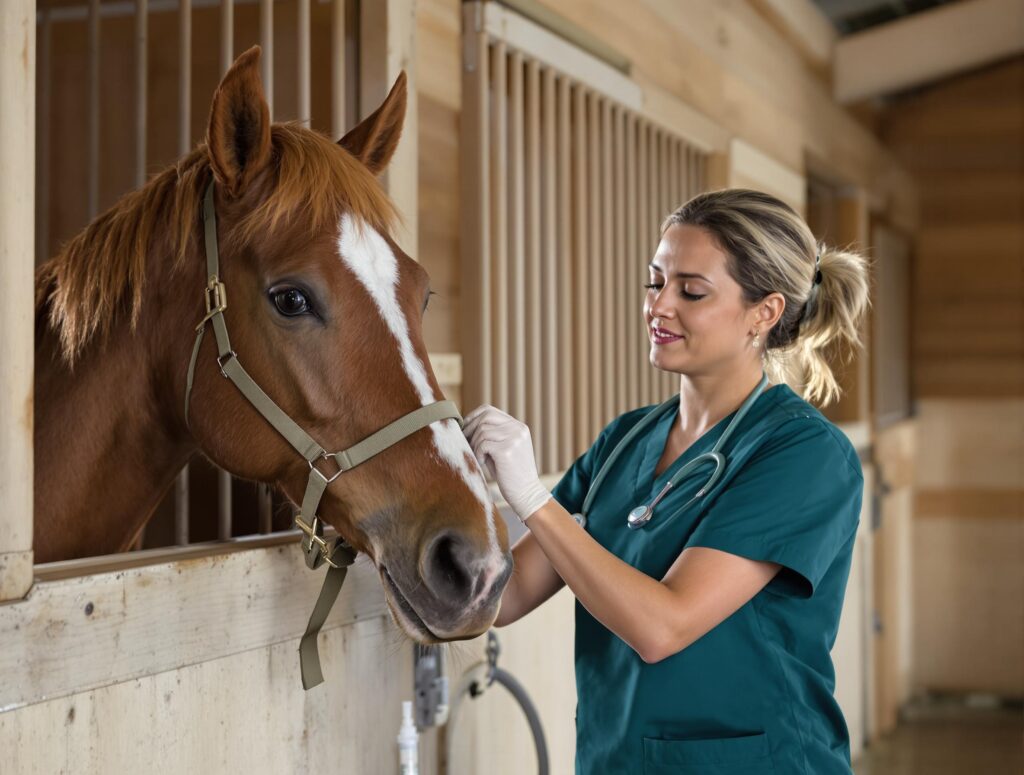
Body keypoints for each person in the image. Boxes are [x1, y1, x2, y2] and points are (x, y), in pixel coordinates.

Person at [463, 188, 871, 774]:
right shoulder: (624, 441)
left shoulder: (804, 454)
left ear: (766, 312)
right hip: (617, 759)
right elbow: (503, 598)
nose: (659, 306)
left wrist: (530, 497)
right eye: (655, 282)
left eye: (692, 291)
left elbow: (664, 626)